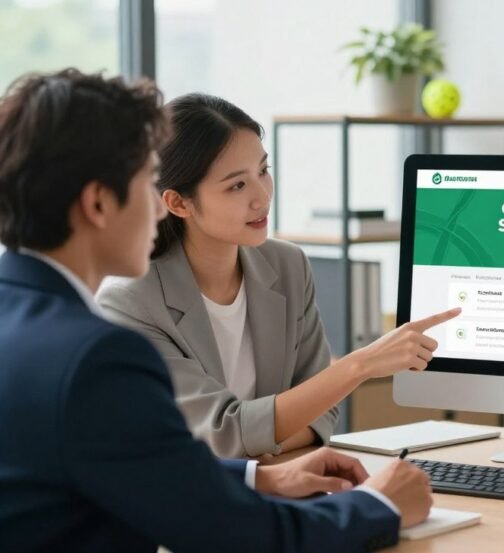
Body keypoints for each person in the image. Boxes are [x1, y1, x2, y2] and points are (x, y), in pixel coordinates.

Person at [0, 69, 435, 552]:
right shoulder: (95, 355)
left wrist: (256, 477)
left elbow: (133, 467)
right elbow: (238, 535)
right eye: (147, 182)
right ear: (99, 203)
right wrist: (381, 506)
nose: (159, 208)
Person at [98, 93, 458, 458]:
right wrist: (360, 365)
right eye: (237, 185)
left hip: (281, 484)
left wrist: (254, 449)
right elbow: (221, 432)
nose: (262, 196)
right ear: (178, 203)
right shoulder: (130, 301)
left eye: (263, 171)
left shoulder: (287, 265)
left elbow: (322, 412)